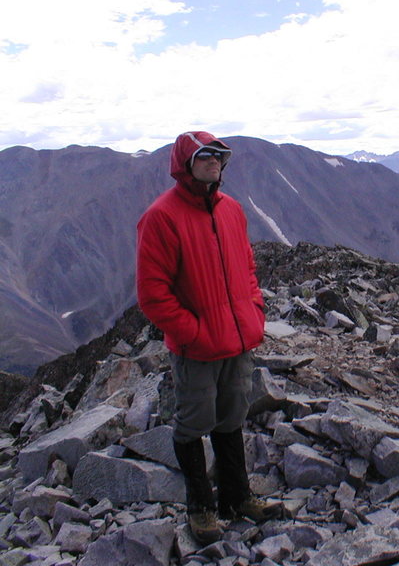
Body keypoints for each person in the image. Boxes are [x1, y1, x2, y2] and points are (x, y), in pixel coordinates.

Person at [136, 131, 276, 544]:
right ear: (185, 164)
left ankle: (237, 498)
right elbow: (152, 294)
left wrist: (254, 308)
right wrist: (192, 332)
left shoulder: (231, 210)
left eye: (219, 155)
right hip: (197, 348)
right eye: (205, 156)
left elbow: (247, 267)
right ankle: (200, 508)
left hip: (236, 340)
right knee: (193, 424)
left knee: (232, 416)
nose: (214, 161)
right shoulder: (161, 217)